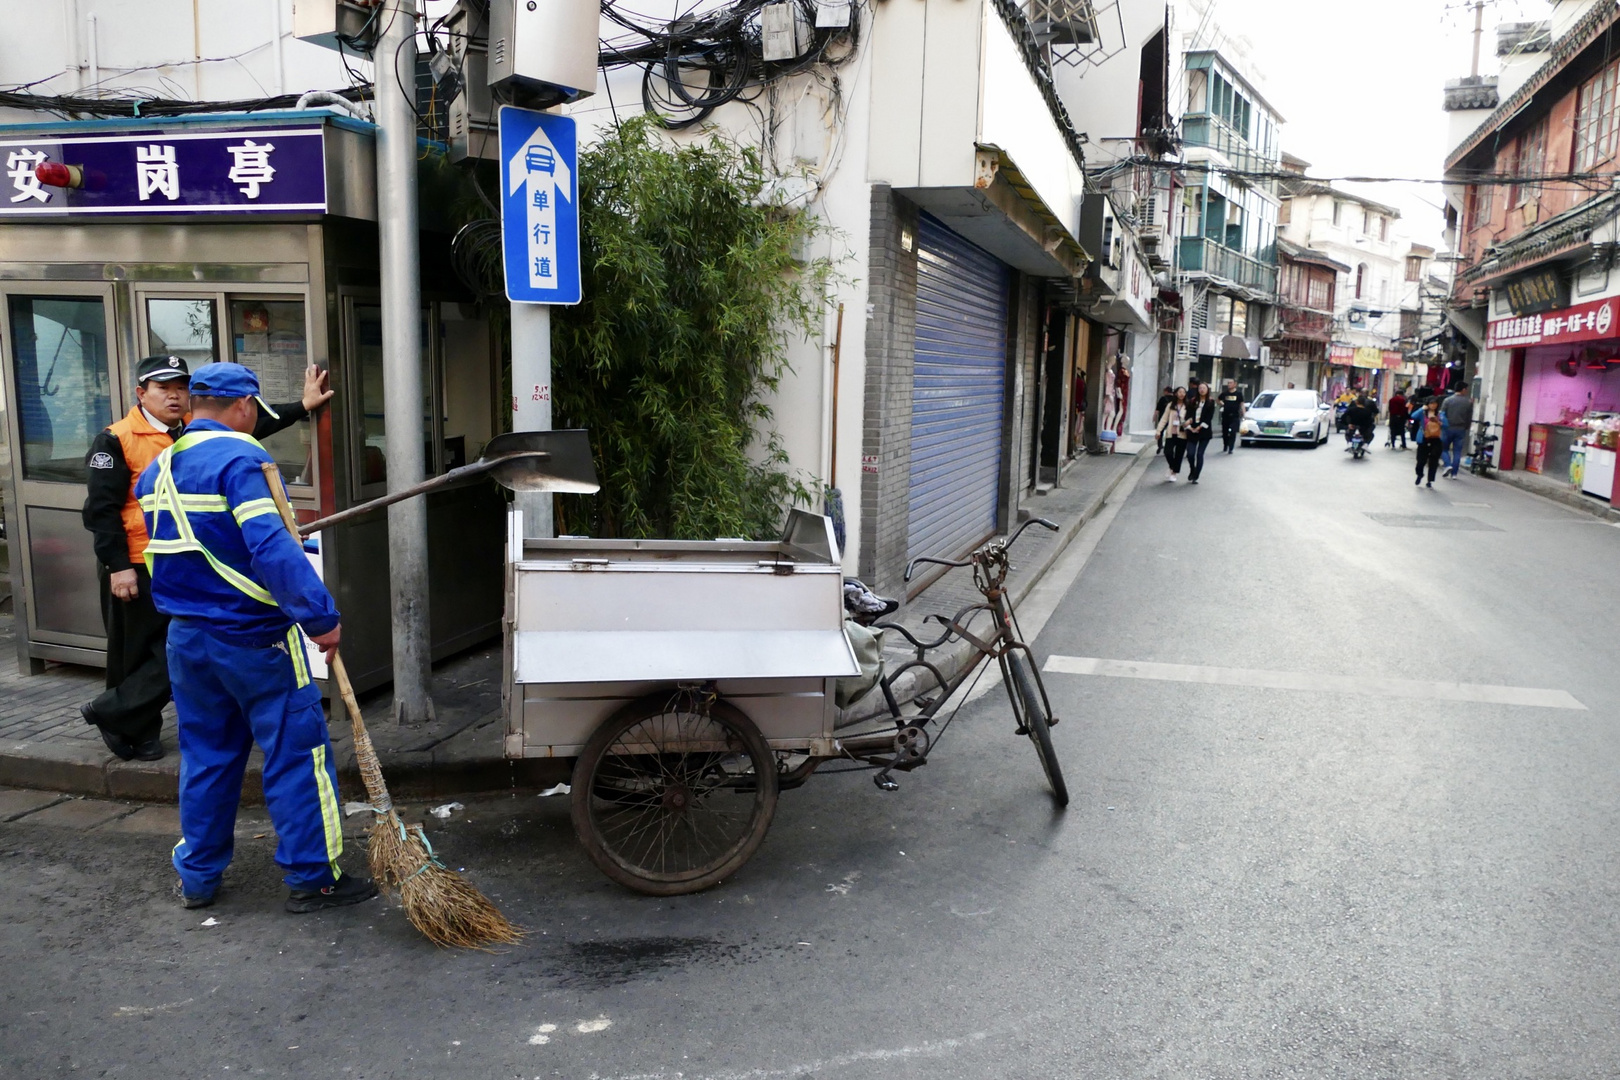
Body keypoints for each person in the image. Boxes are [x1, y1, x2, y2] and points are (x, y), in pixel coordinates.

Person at [134, 362, 372, 914]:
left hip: (187, 640)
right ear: (244, 406)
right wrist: (320, 617)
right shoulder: (244, 460)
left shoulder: (159, 470)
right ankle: (315, 879)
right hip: (255, 639)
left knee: (208, 756)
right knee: (296, 755)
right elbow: (270, 547)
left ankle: (198, 877)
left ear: (196, 404)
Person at [79, 356, 331, 762]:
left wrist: (302, 406)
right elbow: (101, 510)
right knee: (137, 651)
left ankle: (120, 714)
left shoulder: (191, 433)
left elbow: (249, 422)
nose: (174, 396)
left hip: (186, 563)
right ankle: (131, 724)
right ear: (142, 394)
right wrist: (117, 566)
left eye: (181, 388)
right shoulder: (118, 438)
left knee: (175, 648)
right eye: (164, 389)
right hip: (138, 562)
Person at [1184, 382, 1216, 482]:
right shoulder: (1193, 401)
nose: (1202, 390)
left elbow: (1208, 418)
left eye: (1204, 388)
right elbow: (1188, 415)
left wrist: (1199, 427)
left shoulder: (1210, 402)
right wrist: (1189, 425)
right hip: (1192, 430)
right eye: (1200, 388)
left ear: (1207, 390)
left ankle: (1196, 475)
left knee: (1199, 454)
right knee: (1190, 453)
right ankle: (1192, 469)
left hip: (1204, 431)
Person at [1440, 383, 1474, 477]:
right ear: (1463, 389)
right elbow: (1469, 417)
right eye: (1466, 389)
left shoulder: (1447, 400)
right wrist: (1467, 427)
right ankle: (1454, 474)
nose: (1466, 391)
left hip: (1447, 428)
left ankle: (1447, 465)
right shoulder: (1468, 402)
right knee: (1457, 451)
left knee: (1444, 448)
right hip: (1461, 429)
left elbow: (1442, 414)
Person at [1156, 386, 1188, 481]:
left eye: (1183, 392)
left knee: (1179, 454)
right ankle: (1172, 467)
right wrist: (1158, 431)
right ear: (1176, 394)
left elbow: (1191, 418)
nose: (1182, 394)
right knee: (1167, 452)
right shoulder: (1170, 405)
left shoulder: (1188, 405)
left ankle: (1174, 473)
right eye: (1180, 392)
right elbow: (1164, 419)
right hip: (1171, 432)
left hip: (1182, 433)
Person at [1414, 398, 1444, 487]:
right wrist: (1421, 409)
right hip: (1424, 438)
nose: (1433, 405)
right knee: (1420, 460)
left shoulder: (1440, 414)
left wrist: (1438, 421)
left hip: (1436, 439)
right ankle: (1419, 474)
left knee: (1434, 460)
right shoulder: (1422, 413)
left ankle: (1430, 480)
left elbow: (1446, 424)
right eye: (1431, 403)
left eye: (1435, 403)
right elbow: (1413, 416)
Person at [1217, 378, 1245, 454]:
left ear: (1235, 384)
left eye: (1230, 383)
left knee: (1233, 432)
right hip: (1226, 415)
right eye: (1228, 383)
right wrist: (1222, 404)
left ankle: (1231, 447)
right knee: (1225, 432)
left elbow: (1242, 404)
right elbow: (1218, 399)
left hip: (1235, 416)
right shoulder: (1225, 393)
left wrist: (1244, 413)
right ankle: (1225, 444)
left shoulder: (1238, 394)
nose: (1229, 384)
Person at [1152, 385, 1174, 455]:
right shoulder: (1175, 399)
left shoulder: (1162, 398)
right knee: (1171, 433)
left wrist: (1154, 416)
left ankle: (1160, 445)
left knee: (1160, 432)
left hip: (1162, 418)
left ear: (1166, 391)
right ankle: (1170, 447)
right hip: (1172, 418)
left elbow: (1157, 409)